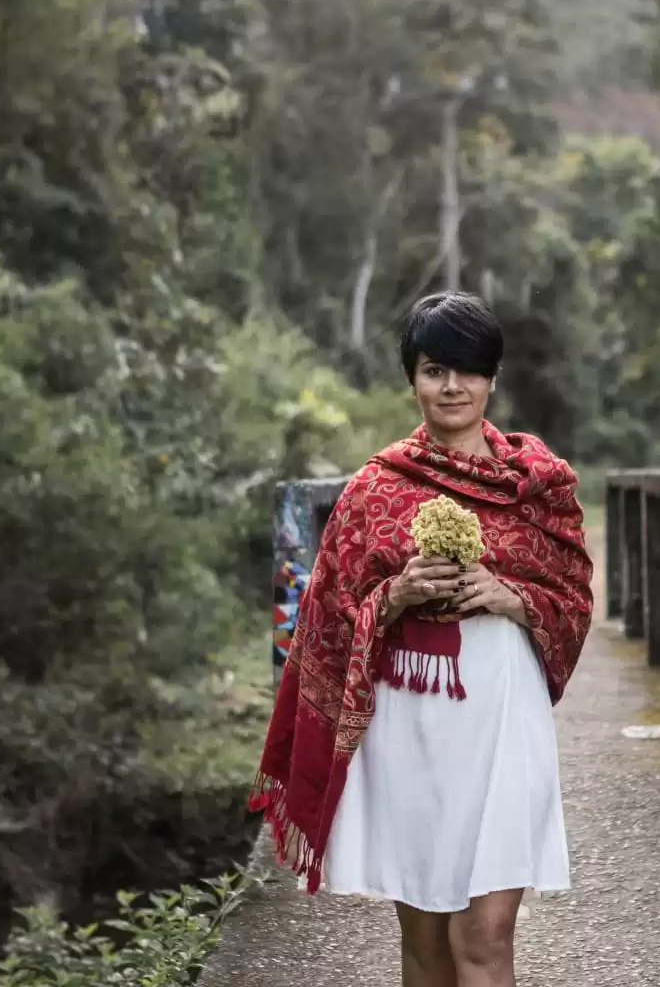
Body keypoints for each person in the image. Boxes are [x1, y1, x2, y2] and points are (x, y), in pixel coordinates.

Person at [250, 291, 594, 987]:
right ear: (413, 378)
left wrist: (513, 597)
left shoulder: (537, 484)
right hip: (411, 719)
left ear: (492, 378)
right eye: (435, 369)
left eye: (468, 370)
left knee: (486, 936)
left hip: (501, 708)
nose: (452, 386)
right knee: (427, 940)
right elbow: (328, 614)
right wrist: (395, 595)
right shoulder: (374, 489)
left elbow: (575, 597)